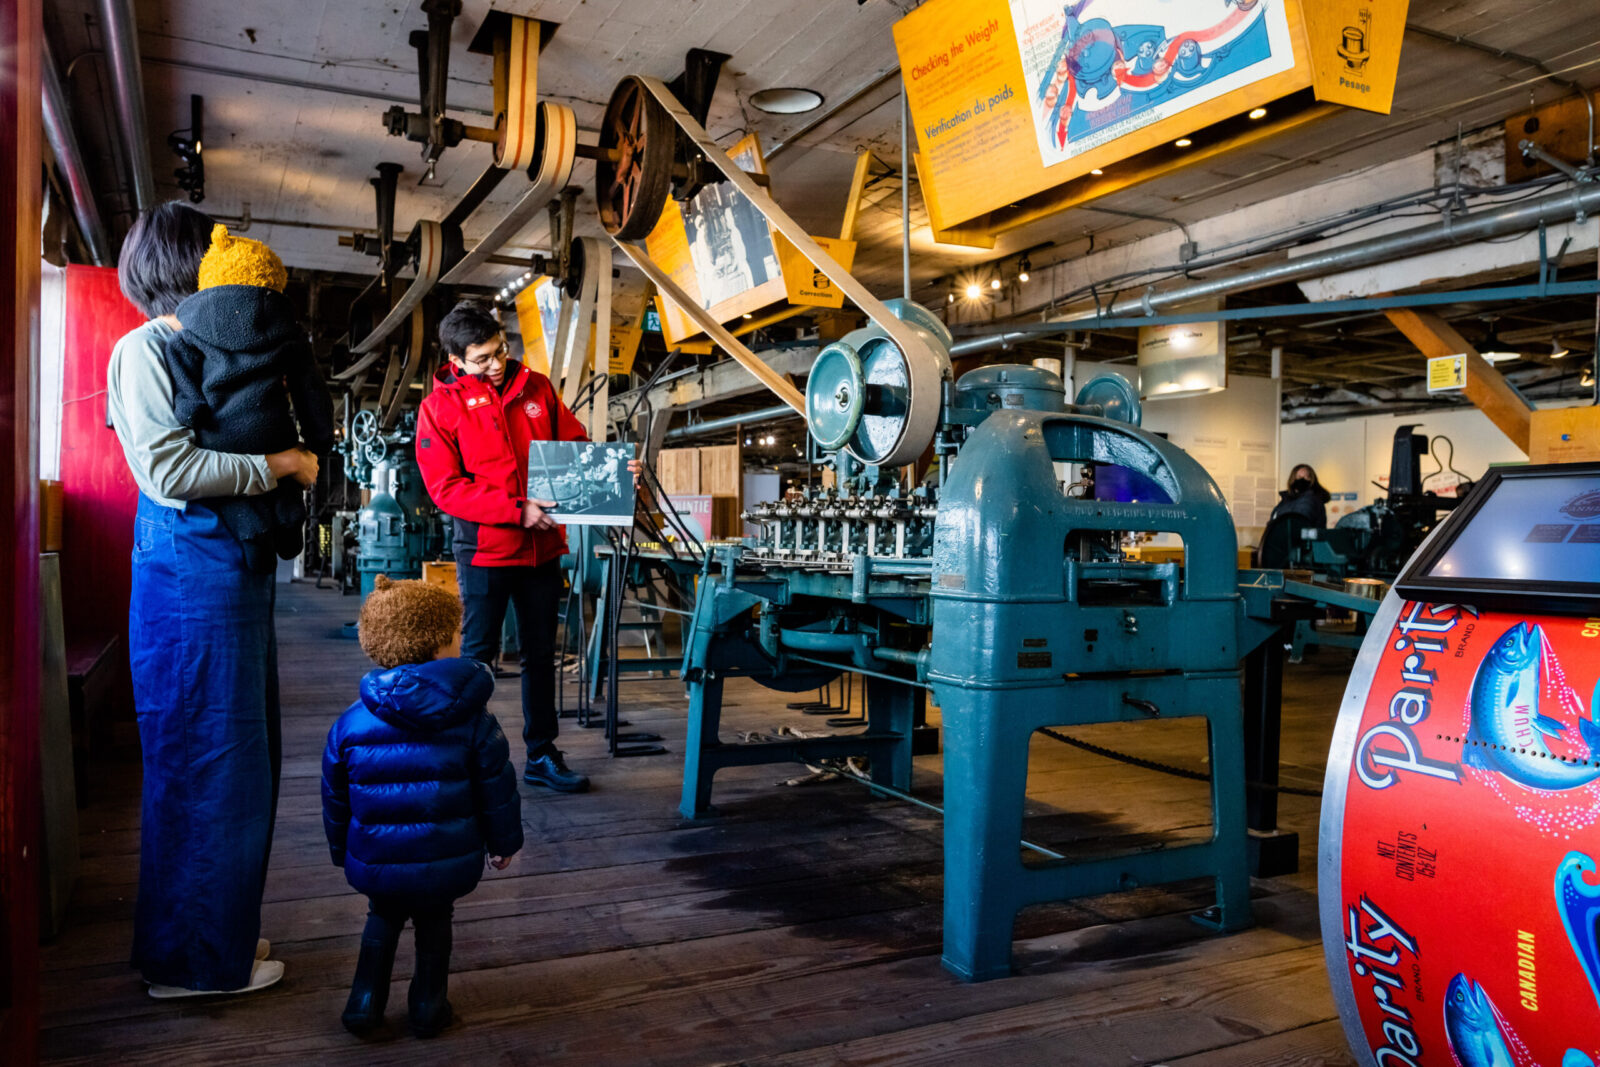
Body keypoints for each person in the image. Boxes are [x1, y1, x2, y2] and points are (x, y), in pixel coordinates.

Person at [108, 201, 320, 997]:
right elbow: (168, 471)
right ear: (187, 266)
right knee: (205, 761)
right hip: (189, 577)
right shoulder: (146, 348)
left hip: (227, 572)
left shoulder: (203, 345)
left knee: (240, 765)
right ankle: (195, 962)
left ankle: (215, 933)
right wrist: (282, 465)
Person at [321, 576, 522, 1038]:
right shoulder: (474, 718)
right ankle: (429, 1005)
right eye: (454, 635)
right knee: (435, 923)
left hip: (377, 858)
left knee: (382, 918)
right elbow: (497, 786)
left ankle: (364, 1003)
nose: (459, 642)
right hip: (445, 855)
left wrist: (340, 848)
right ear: (436, 646)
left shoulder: (350, 723)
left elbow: (335, 796)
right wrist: (503, 843)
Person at [414, 299, 595, 792]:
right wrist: (517, 510)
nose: (496, 365)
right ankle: (464, 757)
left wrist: (613, 471)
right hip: (486, 551)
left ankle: (541, 754)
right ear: (456, 362)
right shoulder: (438, 410)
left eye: (500, 350)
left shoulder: (536, 387)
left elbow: (573, 445)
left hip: (541, 550)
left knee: (540, 655)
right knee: (478, 657)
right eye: (482, 359)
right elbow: (446, 489)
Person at [161, 224, 335, 570]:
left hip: (217, 433)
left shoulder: (191, 331)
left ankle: (250, 529)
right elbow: (310, 391)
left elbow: (178, 357)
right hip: (270, 430)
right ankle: (288, 522)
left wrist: (190, 405)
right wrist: (319, 439)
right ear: (273, 278)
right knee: (284, 480)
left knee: (231, 493)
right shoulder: (290, 333)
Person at [1269, 463, 1332, 529]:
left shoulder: (1310, 499)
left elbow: (1297, 523)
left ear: (1312, 480)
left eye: (1306, 477)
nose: (1302, 480)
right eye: (1298, 477)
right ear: (1292, 479)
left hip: (1298, 538)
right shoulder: (1286, 501)